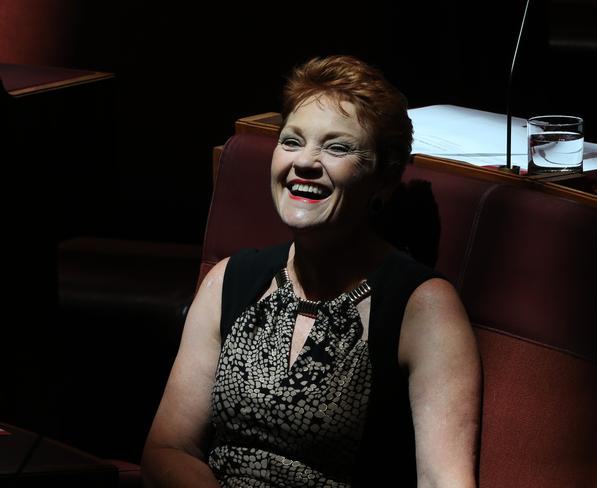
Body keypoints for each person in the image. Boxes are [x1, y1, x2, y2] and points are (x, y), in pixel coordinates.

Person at [141, 55, 481, 487]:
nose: (305, 162)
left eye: (336, 147)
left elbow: (443, 482)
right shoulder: (230, 280)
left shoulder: (422, 306)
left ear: (384, 179)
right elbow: (168, 449)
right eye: (291, 141)